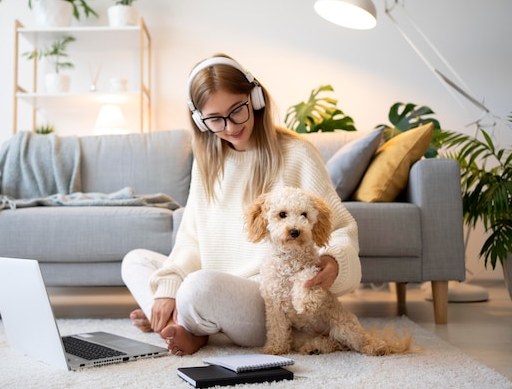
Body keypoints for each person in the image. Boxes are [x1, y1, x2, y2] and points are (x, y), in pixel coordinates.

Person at [121, 53, 361, 356]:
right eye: (215, 119)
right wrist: (167, 291)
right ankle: (182, 318)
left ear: (256, 98)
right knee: (135, 261)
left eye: (237, 111)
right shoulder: (206, 165)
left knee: (198, 288)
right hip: (217, 290)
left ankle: (188, 324)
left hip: (267, 302)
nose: (230, 126)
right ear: (200, 120)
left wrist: (335, 261)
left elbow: (340, 229)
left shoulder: (298, 154)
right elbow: (191, 241)